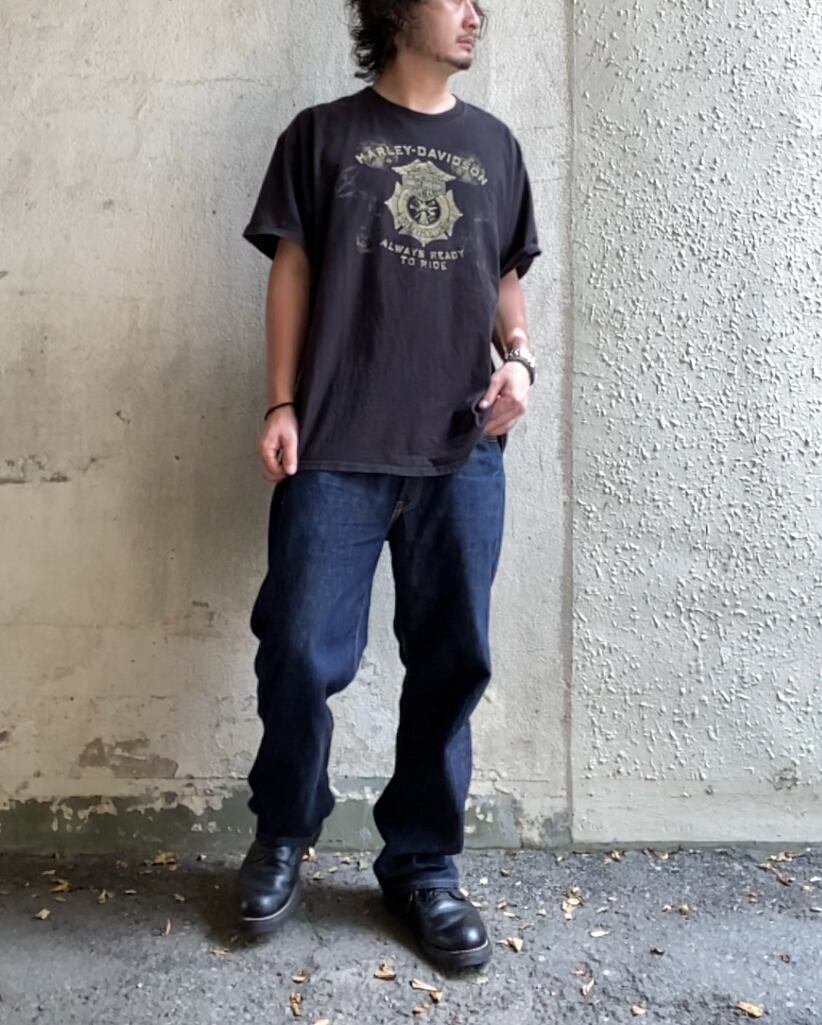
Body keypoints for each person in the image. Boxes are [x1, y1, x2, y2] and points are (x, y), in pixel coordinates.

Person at [237, 0, 541, 971]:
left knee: (453, 660)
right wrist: (281, 401)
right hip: (336, 441)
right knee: (296, 648)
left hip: (460, 447)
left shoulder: (496, 147)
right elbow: (291, 272)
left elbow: (503, 276)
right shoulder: (321, 136)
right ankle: (284, 829)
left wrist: (520, 359)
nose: (476, 13)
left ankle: (422, 863)